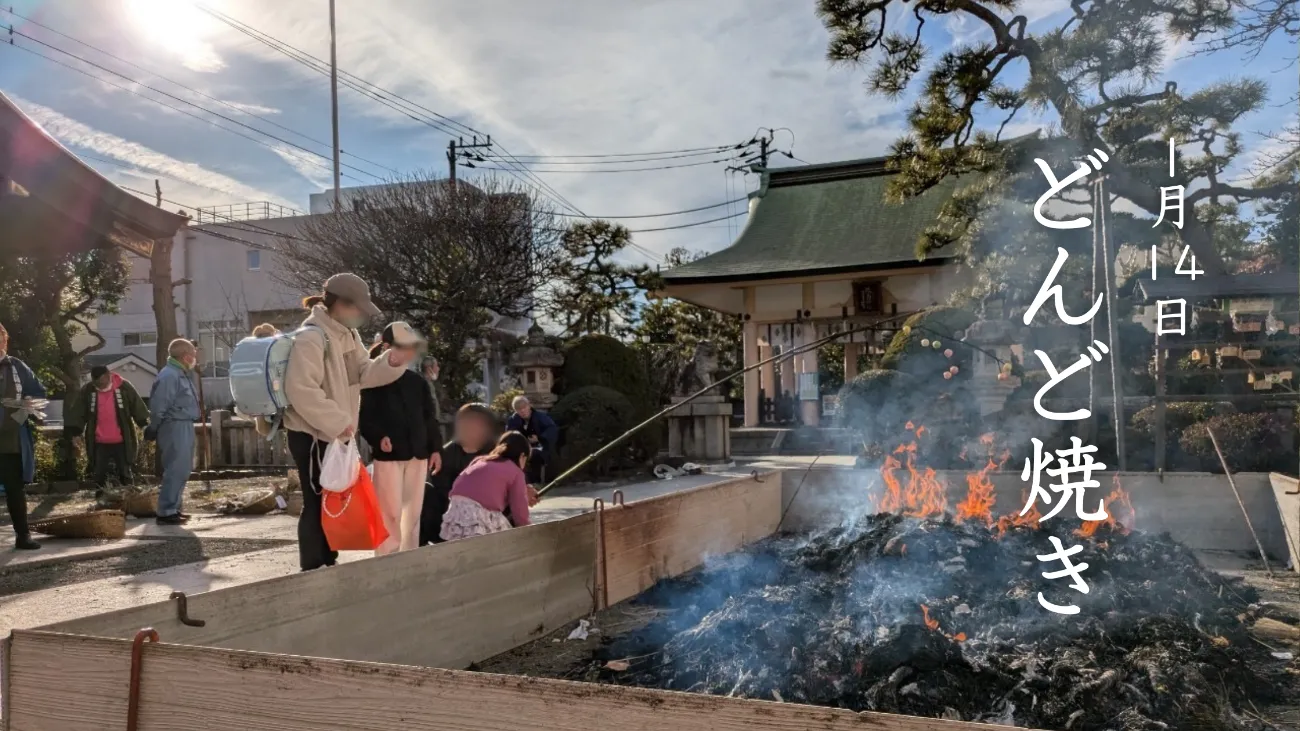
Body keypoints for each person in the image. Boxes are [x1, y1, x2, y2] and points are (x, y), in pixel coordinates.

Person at [283, 273, 411, 571]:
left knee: (332, 498)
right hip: (311, 435)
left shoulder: (346, 334)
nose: (363, 316)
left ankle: (327, 559)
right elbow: (300, 389)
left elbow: (363, 372)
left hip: (332, 433)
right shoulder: (311, 336)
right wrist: (339, 421)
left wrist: (391, 362)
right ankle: (313, 567)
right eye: (359, 309)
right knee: (317, 501)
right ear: (339, 304)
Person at [359, 323, 443, 555]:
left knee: (413, 513)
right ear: (386, 347)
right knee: (390, 512)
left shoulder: (417, 381)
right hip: (389, 456)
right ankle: (387, 558)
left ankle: (410, 557)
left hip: (419, 454)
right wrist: (378, 438)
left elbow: (429, 418)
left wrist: (436, 448)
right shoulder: (371, 381)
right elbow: (364, 418)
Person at [421, 402, 498, 546]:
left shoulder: (496, 452)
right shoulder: (447, 453)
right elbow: (440, 486)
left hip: (485, 513)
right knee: (424, 491)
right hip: (451, 511)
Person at [440, 431, 540, 541]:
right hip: (478, 511)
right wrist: (527, 530)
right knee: (503, 537)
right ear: (522, 456)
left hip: (456, 508)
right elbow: (519, 510)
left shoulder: (481, 460)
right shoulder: (516, 472)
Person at [66, 366, 150, 492]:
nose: (100, 386)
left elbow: (137, 406)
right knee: (99, 474)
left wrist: (144, 426)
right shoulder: (88, 390)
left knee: (125, 473)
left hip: (122, 439)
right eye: (97, 384)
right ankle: (101, 501)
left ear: (108, 376)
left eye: (102, 382)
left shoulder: (124, 387)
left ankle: (129, 500)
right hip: (99, 441)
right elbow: (79, 412)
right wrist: (76, 432)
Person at [0, 322, 47, 550]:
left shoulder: (18, 367)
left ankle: (23, 535)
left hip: (11, 439)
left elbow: (39, 392)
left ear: (5, 341)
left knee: (14, 488)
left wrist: (27, 403)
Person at [147, 339, 202, 525]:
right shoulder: (170, 376)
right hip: (173, 425)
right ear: (186, 356)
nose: (195, 358)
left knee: (183, 468)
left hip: (183, 423)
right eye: (194, 354)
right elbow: (159, 406)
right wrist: (153, 428)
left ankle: (174, 507)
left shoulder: (179, 374)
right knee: (176, 468)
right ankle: (166, 510)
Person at [505, 395, 558, 485]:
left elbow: (552, 429)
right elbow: (509, 435)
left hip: (540, 447)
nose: (522, 411)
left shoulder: (541, 417)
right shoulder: (513, 420)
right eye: (519, 409)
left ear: (529, 406)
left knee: (534, 455)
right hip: (522, 447)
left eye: (524, 407)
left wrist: (539, 437)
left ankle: (535, 482)